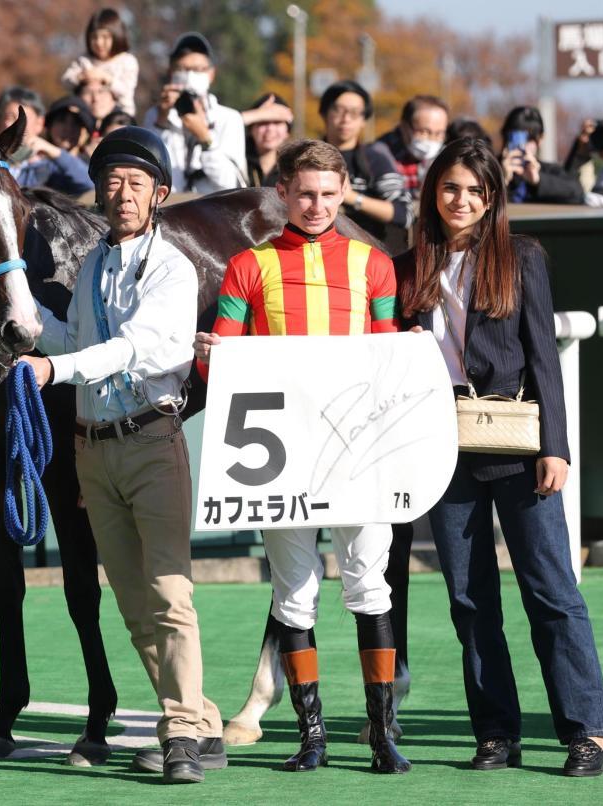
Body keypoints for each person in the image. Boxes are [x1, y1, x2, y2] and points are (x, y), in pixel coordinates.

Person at [394, 136, 603, 777]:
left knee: (551, 591)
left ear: (493, 199)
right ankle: (495, 731)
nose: (461, 200)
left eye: (475, 190)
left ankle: (586, 732)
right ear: (433, 191)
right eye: (451, 187)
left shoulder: (521, 258)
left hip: (517, 446)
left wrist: (556, 449)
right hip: (439, 447)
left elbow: (544, 354)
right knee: (468, 598)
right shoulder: (407, 267)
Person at [194, 138, 410, 775]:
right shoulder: (247, 266)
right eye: (304, 193)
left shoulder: (375, 265)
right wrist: (209, 352)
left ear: (345, 193)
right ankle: (310, 735)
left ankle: (381, 734)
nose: (316, 205)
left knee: (370, 588)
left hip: (357, 450)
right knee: (294, 596)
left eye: (327, 194)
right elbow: (224, 362)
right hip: (281, 454)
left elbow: (385, 355)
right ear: (281, 193)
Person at [21, 127, 224, 784]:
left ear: (159, 194)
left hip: (151, 440)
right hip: (93, 450)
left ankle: (184, 737)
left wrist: (53, 369)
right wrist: (16, 314)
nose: (122, 192)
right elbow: (71, 335)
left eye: (136, 182)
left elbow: (133, 349)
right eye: (111, 180)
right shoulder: (92, 268)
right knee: (137, 610)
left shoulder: (173, 268)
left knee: (169, 593)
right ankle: (202, 718)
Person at [143, 32, 247, 193]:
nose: (190, 75)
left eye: (198, 69)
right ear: (171, 72)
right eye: (182, 69)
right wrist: (162, 120)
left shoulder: (230, 118)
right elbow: (148, 173)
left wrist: (205, 137)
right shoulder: (155, 115)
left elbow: (230, 183)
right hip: (170, 208)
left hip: (211, 211)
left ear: (211, 74)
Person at [320, 80, 412, 249]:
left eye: (355, 113)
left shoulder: (375, 158)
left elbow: (403, 214)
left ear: (364, 120)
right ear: (325, 113)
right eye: (339, 110)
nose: (346, 119)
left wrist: (351, 197)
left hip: (366, 255)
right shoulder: (306, 157)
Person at [0, 86, 94, 196]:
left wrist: (54, 152)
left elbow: (90, 184)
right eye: (10, 117)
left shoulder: (48, 166)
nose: (17, 124)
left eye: (24, 118)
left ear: (39, 123)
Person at [499, 106, 584, 204]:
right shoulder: (490, 168)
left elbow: (577, 192)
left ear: (540, 139)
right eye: (514, 139)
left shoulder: (549, 171)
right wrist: (501, 180)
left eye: (528, 139)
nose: (521, 146)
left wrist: (538, 180)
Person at [61, 8, 138, 116]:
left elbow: (126, 91)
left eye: (105, 37)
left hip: (119, 116)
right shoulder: (84, 60)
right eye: (94, 37)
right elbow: (66, 81)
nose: (99, 42)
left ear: (116, 36)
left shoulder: (127, 61)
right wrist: (81, 77)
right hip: (86, 115)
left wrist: (106, 78)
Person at [378, 94, 449, 198]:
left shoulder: (445, 158)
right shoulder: (380, 154)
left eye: (439, 134)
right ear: (404, 127)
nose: (432, 140)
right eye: (424, 132)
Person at [242, 93, 293, 187]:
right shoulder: (237, 162)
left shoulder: (293, 169)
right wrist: (252, 115)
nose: (270, 129)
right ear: (251, 129)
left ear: (287, 132)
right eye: (263, 122)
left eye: (277, 122)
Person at [46, 95, 97, 159]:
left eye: (77, 123)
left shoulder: (91, 167)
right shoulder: (33, 161)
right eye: (62, 120)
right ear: (50, 125)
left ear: (87, 134)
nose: (68, 129)